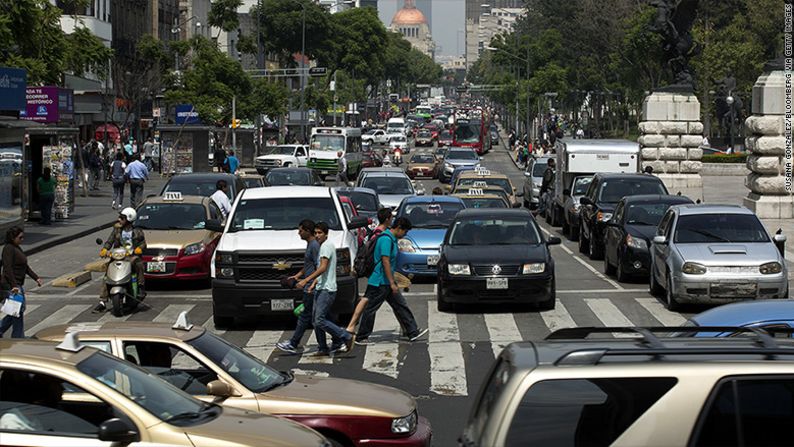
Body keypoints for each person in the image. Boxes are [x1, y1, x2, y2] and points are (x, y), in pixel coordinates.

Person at [355, 217, 427, 345]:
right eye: (404, 232)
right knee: (370, 309)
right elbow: (385, 261)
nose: (404, 235)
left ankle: (412, 332)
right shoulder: (386, 240)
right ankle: (361, 336)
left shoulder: (391, 239)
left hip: (385, 281)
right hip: (379, 281)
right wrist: (392, 282)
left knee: (400, 305)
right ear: (399, 228)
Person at [296, 222, 355, 355]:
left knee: (319, 320)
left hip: (327, 289)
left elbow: (322, 267)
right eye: (316, 233)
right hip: (321, 287)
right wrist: (313, 283)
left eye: (320, 233)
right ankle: (323, 347)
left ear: (326, 234)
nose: (317, 235)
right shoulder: (323, 246)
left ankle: (345, 336)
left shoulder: (326, 247)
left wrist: (306, 280)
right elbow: (323, 271)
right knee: (316, 320)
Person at [276, 220, 321, 354]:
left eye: (301, 230)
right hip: (309, 285)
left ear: (307, 231)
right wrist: (297, 276)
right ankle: (335, 341)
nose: (298, 233)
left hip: (310, 287)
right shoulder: (310, 245)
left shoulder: (314, 246)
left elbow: (319, 267)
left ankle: (293, 343)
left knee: (306, 316)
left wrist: (310, 282)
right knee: (319, 318)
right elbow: (308, 264)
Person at [93, 208, 147, 313]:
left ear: (129, 219)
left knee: (138, 264)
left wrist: (139, 248)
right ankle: (102, 301)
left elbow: (143, 243)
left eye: (122, 218)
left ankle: (140, 287)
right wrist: (105, 249)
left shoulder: (137, 231)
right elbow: (110, 240)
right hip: (118, 255)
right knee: (107, 275)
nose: (119, 219)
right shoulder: (117, 229)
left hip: (131, 256)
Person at [0, 227, 42, 338]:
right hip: (11, 286)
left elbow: (25, 266)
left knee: (14, 311)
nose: (22, 239)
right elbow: (7, 269)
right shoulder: (8, 249)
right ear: (12, 237)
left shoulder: (17, 247)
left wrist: (36, 277)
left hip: (17, 285)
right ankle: (18, 337)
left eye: (23, 237)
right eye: (20, 237)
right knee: (17, 311)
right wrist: (14, 285)